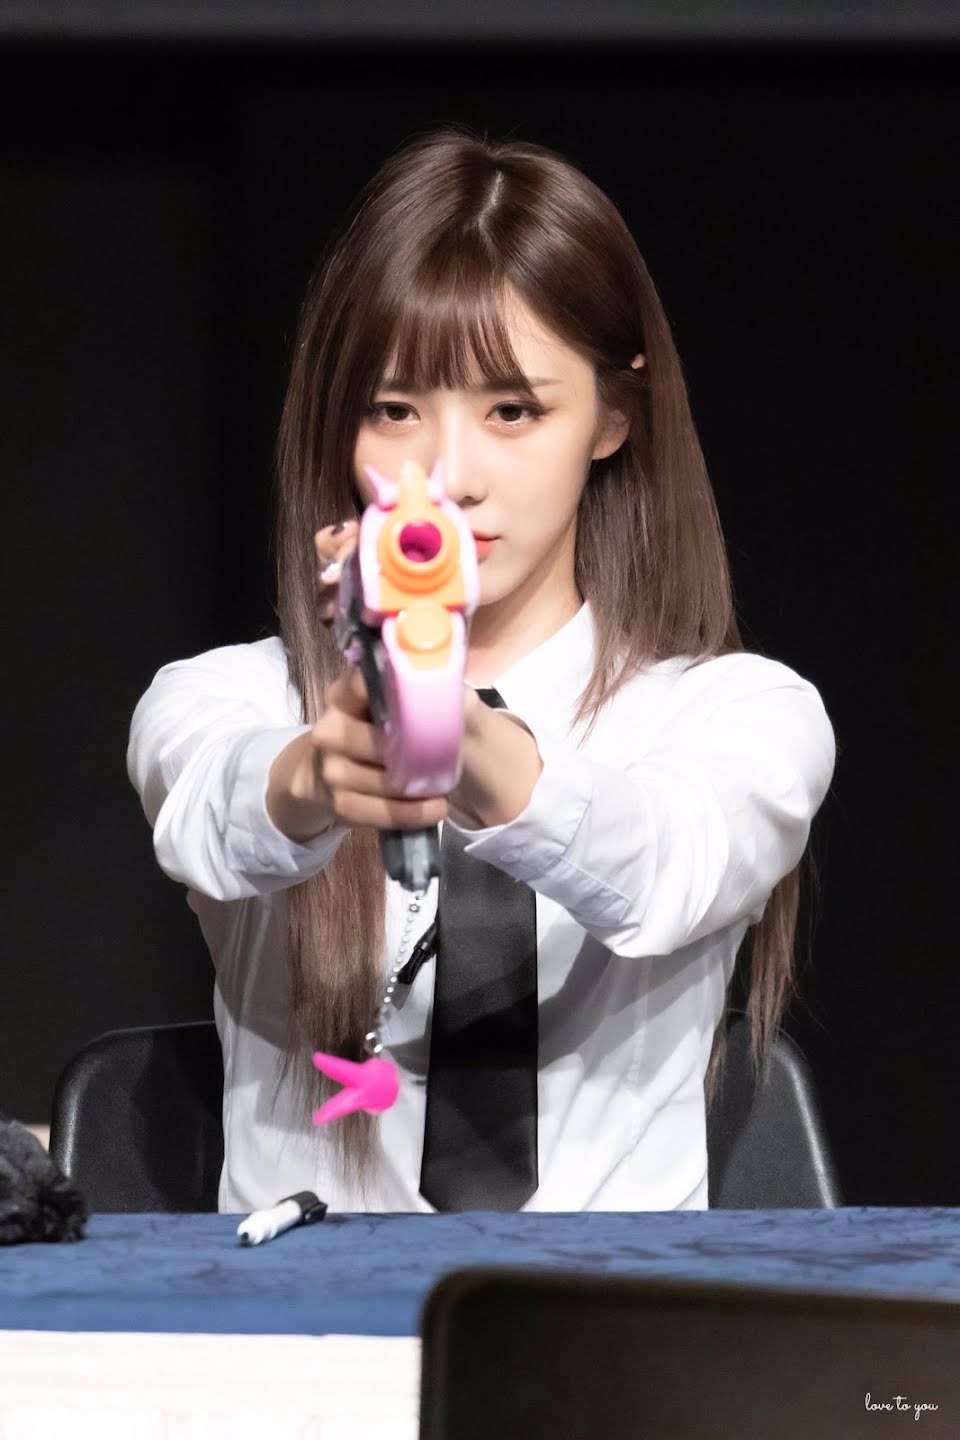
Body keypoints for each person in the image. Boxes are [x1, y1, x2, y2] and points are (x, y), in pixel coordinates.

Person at [127, 124, 836, 1215]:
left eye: (514, 411)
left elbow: (662, 866)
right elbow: (215, 809)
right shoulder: (230, 697)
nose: (449, 475)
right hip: (296, 1307)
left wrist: (457, 734)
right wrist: (319, 771)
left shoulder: (740, 713)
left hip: (618, 1306)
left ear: (614, 414)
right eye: (394, 410)